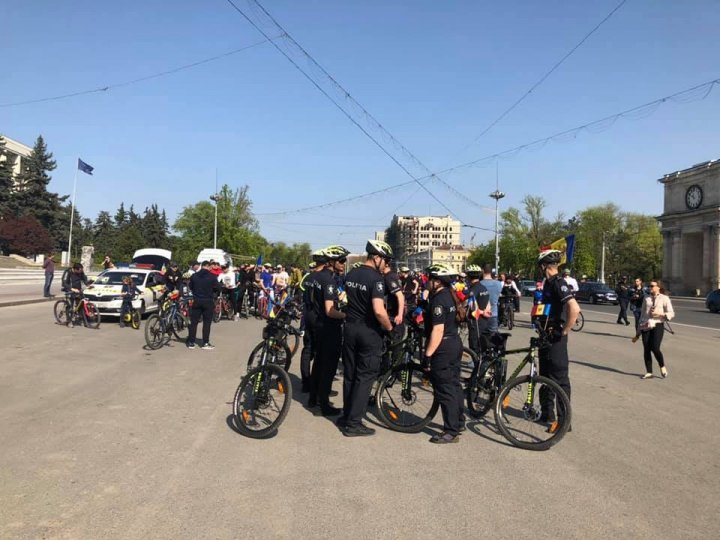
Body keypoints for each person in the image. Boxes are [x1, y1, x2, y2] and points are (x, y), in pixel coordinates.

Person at [339, 240, 393, 436]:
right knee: (365, 377)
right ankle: (354, 423)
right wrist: (389, 327)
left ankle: (346, 416)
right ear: (376, 257)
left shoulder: (351, 273)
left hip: (350, 327)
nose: (386, 264)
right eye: (385, 260)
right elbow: (379, 311)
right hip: (368, 331)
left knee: (350, 375)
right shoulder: (376, 279)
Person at [535, 249, 580, 431]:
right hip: (545, 335)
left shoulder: (558, 283)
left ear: (544, 266)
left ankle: (564, 422)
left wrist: (565, 330)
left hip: (556, 338)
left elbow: (574, 308)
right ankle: (547, 413)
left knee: (560, 379)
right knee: (545, 376)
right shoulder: (548, 283)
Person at [422, 263, 467, 444]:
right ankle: (459, 421)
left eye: (429, 279)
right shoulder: (450, 295)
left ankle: (451, 431)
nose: (426, 282)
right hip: (455, 343)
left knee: (445, 389)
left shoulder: (439, 300)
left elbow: (438, 330)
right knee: (455, 386)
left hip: (443, 347)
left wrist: (427, 355)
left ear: (436, 281)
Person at [308, 245, 349, 416]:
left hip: (317, 324)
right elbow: (330, 310)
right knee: (329, 366)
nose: (344, 263)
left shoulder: (315, 276)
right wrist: (347, 315)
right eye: (341, 260)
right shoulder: (329, 280)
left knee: (318, 363)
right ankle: (324, 404)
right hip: (328, 327)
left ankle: (313, 397)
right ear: (331, 261)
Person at [633, 280, 674, 379]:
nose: (650, 288)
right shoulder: (646, 298)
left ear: (658, 287)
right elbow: (642, 314)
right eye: (649, 286)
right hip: (646, 325)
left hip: (658, 325)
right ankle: (649, 372)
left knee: (655, 348)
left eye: (652, 286)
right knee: (646, 348)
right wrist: (638, 332)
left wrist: (660, 314)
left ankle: (662, 366)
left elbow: (671, 313)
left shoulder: (664, 298)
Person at [300, 256, 325, 393]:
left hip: (308, 314)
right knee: (318, 351)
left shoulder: (309, 277)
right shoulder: (322, 278)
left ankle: (305, 382)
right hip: (317, 316)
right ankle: (315, 385)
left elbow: (302, 287)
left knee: (307, 349)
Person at [187, 260, 221, 350]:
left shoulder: (194, 276)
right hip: (208, 301)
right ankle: (205, 343)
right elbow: (218, 288)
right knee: (207, 323)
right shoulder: (212, 276)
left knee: (194, 322)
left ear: (201, 266)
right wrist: (214, 294)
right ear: (208, 266)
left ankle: (191, 342)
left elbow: (190, 287)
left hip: (197, 300)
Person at [464, 264, 491, 358]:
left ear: (469, 276)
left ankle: (478, 366)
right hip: (484, 320)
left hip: (475, 321)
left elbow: (472, 307)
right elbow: (488, 303)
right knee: (482, 343)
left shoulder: (473, 290)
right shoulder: (483, 288)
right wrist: (485, 312)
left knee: (474, 345)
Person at [63, 263, 90, 327]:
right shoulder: (68, 272)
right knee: (70, 306)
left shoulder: (80, 271)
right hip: (69, 289)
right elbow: (64, 283)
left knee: (81, 305)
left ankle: (84, 321)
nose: (80, 272)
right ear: (75, 269)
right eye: (79, 271)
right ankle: (69, 321)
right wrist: (71, 289)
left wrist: (88, 284)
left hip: (78, 289)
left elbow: (84, 278)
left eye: (81, 271)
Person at [383, 263, 405, 343]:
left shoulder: (388, 277)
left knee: (394, 342)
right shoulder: (393, 275)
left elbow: (400, 296)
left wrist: (399, 315)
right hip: (393, 313)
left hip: (393, 315)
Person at [480, 264, 502, 333]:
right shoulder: (498, 284)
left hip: (481, 315)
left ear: (482, 271)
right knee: (493, 339)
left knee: (480, 339)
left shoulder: (479, 284)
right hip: (493, 314)